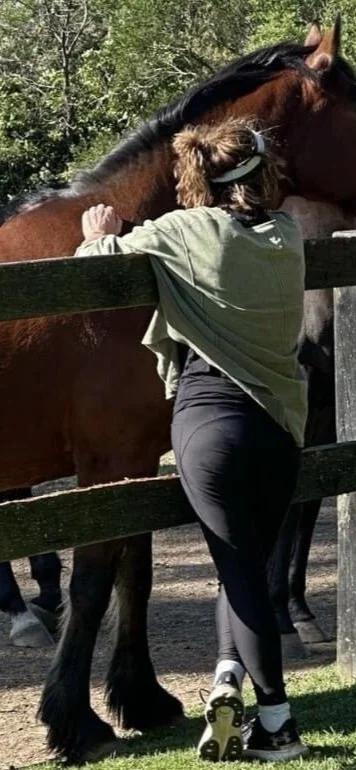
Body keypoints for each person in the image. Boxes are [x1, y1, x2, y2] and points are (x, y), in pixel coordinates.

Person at [75, 118, 310, 761]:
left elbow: (91, 269)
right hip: (281, 426)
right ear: (263, 175)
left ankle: (279, 725)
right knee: (249, 569)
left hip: (210, 424)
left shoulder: (181, 231)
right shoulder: (286, 235)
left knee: (241, 577)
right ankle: (227, 681)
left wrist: (99, 235)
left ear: (199, 178)